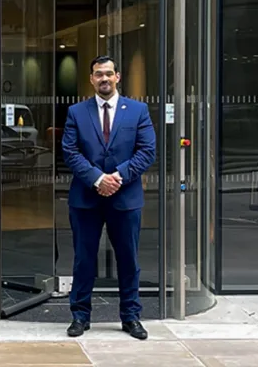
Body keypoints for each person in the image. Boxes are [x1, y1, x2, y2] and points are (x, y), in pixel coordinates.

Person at [61, 55, 156, 340]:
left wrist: (118, 176)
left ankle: (131, 317)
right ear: (91, 79)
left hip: (125, 198)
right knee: (83, 259)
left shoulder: (137, 110)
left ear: (117, 77)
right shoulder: (77, 112)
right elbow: (70, 151)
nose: (103, 78)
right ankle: (80, 316)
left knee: (128, 259)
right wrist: (98, 178)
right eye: (98, 74)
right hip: (86, 199)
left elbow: (147, 150)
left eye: (108, 73)